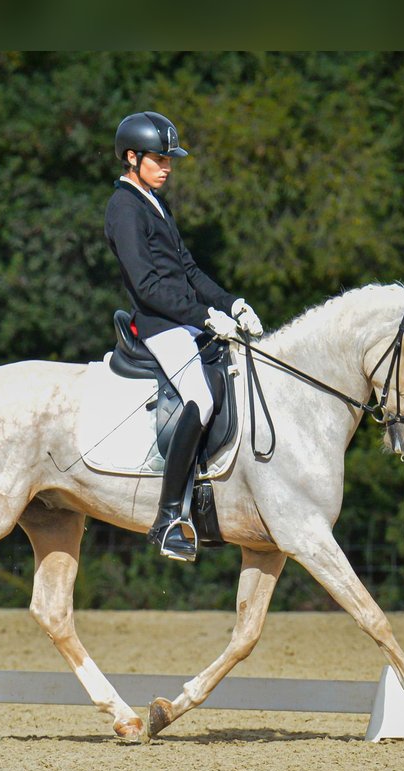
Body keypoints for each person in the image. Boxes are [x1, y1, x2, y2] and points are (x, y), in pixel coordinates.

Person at [104, 111, 263, 561]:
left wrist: (232, 303)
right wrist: (205, 316)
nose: (168, 166)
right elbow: (148, 286)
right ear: (132, 158)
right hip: (157, 324)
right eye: (159, 158)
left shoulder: (154, 201)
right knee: (202, 397)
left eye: (169, 158)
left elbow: (188, 270)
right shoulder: (123, 207)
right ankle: (169, 517)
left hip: (184, 318)